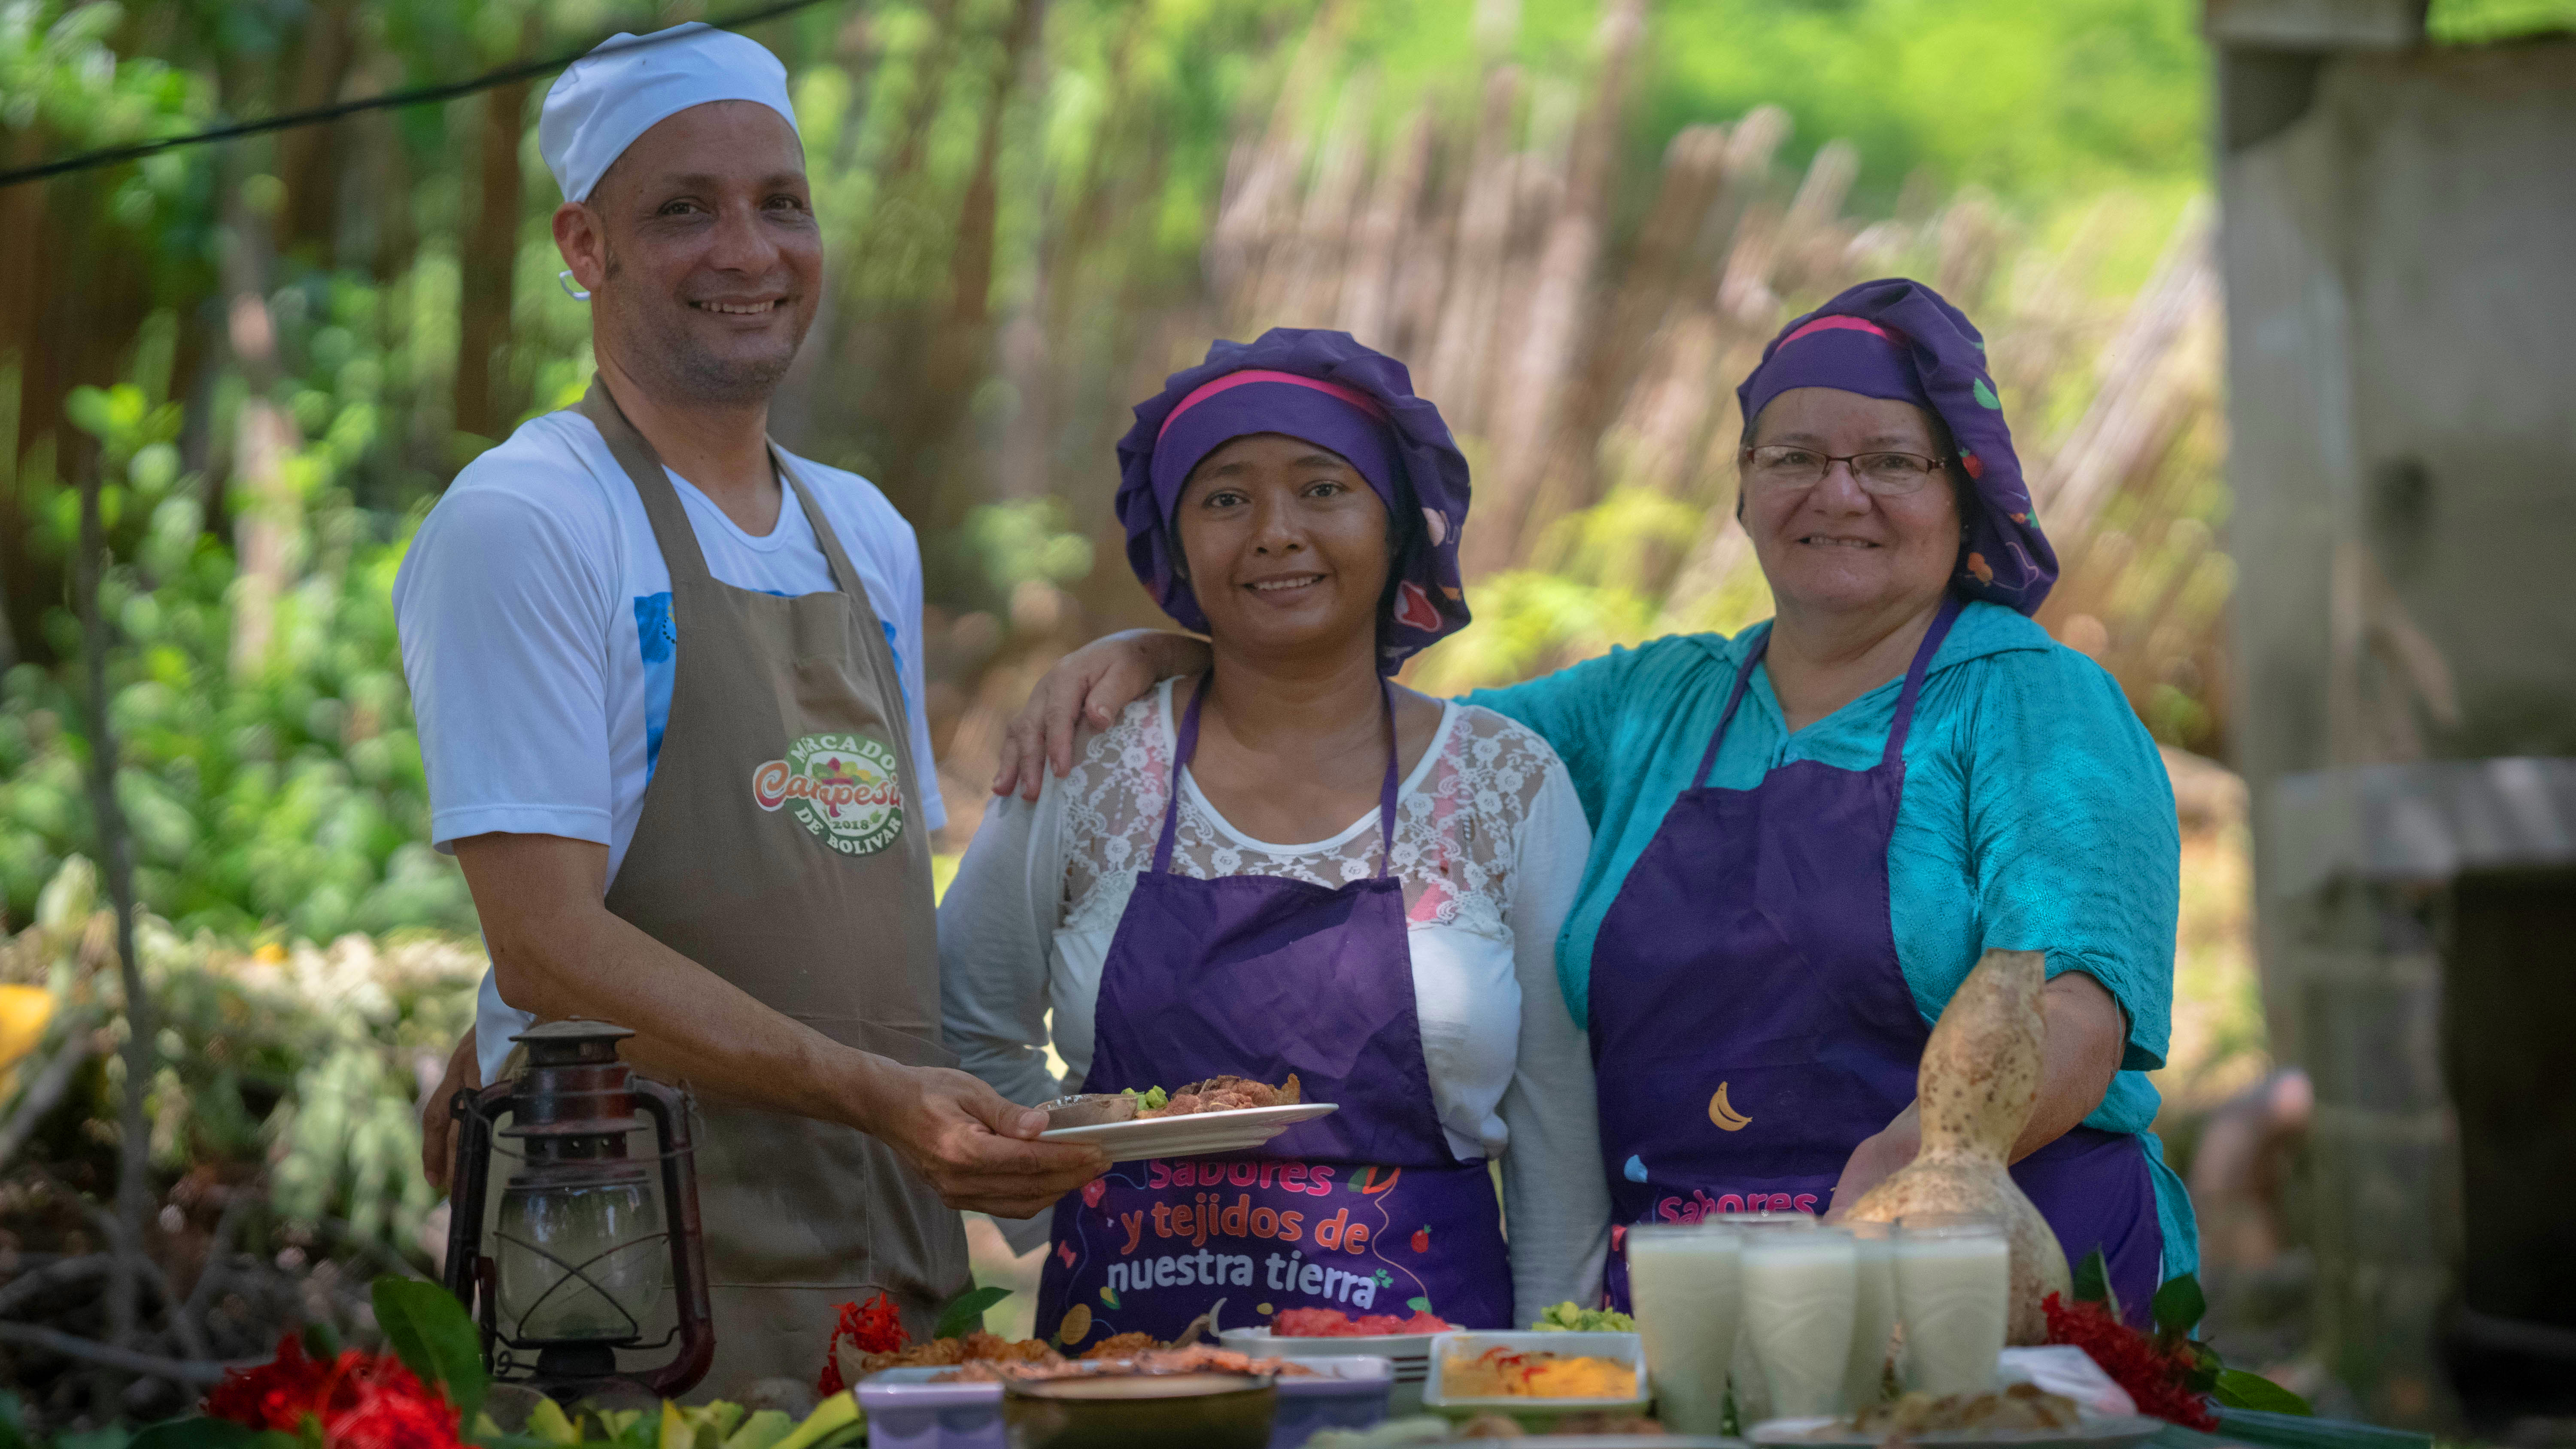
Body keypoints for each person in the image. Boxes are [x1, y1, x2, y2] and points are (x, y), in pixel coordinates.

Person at [991, 281, 2196, 1325]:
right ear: (1741, 491)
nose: (1842, 493)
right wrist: (1175, 654)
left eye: (1892, 461)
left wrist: (1908, 1177)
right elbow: (1361, 721)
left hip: (1977, 1268)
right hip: (1685, 1302)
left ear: (1963, 491)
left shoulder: (2035, 705)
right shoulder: (1650, 706)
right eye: (1795, 459)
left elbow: (2070, 1009)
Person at [396, 24, 1104, 1389]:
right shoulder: (531, 520)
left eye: (781, 202)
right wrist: (874, 1097)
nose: (750, 251)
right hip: (635, 1288)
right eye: (684, 210)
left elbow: (836, 903)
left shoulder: (866, 533)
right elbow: (545, 947)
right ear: (585, 246)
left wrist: (1148, 656)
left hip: (887, 1266)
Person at [939, 329, 1610, 1346]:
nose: (1274, 532)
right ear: (1176, 542)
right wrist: (1061, 1189)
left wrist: (1547, 1375)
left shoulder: (1503, 783)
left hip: (1418, 1378)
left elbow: (1560, 1130)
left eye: (1324, 488)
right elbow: (969, 1011)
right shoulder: (1090, 761)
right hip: (1126, 1370)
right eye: (1224, 498)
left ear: (1395, 532)